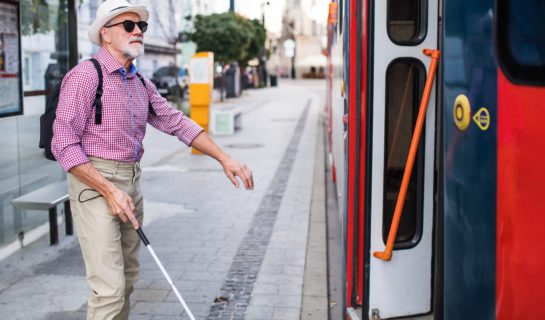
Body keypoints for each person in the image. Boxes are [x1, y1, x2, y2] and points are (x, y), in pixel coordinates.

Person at [51, 0, 254, 319]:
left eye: (141, 26)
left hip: (131, 182)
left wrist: (224, 158)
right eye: (129, 26)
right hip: (94, 184)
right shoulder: (85, 77)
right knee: (109, 289)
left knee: (128, 280)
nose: (138, 32)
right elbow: (63, 143)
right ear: (106, 34)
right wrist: (109, 190)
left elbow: (176, 121)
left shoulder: (138, 82)